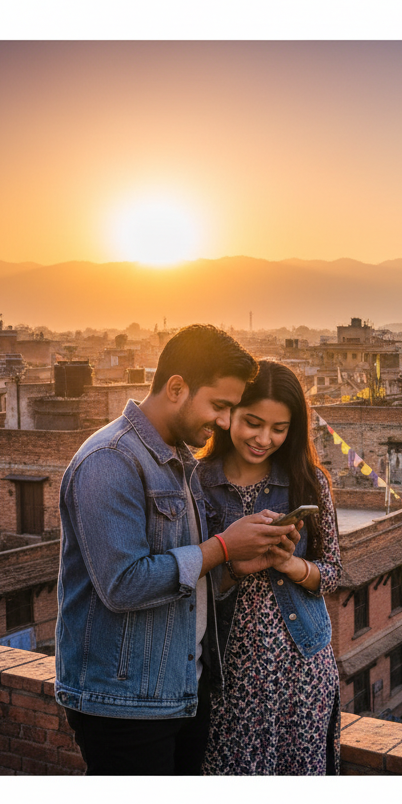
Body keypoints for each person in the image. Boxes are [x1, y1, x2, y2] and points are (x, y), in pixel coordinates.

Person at [54, 325, 296, 775]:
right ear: (177, 388)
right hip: (124, 704)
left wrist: (236, 565)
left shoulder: (178, 460)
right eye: (219, 406)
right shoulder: (111, 459)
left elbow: (182, 581)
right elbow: (123, 585)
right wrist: (223, 546)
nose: (224, 421)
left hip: (181, 690)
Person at [199, 360, 345, 775]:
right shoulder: (197, 483)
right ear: (229, 414)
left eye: (278, 429)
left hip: (302, 666)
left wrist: (290, 564)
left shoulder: (308, 481)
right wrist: (235, 566)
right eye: (253, 423)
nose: (264, 439)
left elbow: (332, 572)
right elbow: (190, 583)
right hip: (228, 674)